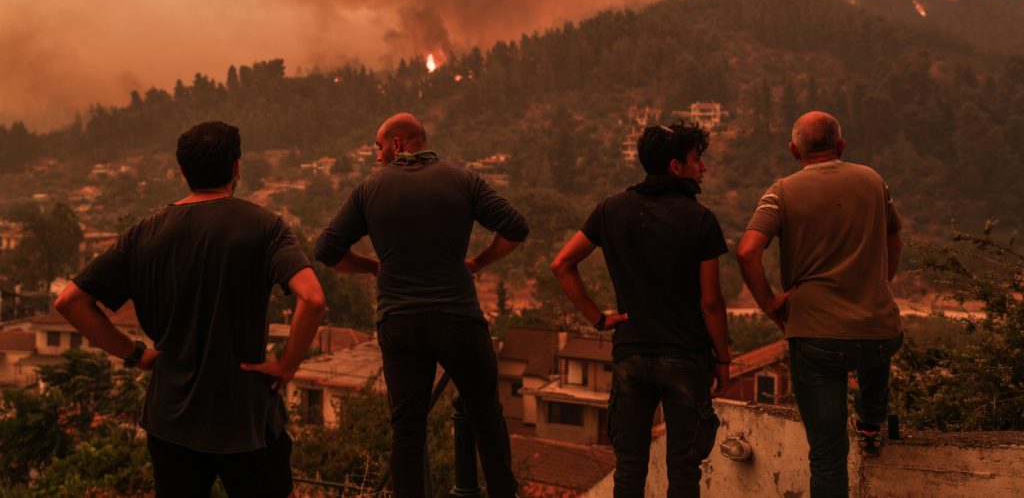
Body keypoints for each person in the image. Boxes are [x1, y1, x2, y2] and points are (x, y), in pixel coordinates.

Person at [55, 121, 326, 498]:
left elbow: (70, 301)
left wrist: (135, 354)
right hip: (246, 418)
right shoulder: (266, 227)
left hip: (171, 420)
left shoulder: (144, 232)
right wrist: (287, 365)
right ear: (236, 168)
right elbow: (312, 299)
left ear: (182, 171)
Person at [315, 112, 528, 498]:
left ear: (396, 145)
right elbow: (516, 227)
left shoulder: (369, 189)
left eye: (378, 147)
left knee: (408, 429)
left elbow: (326, 250)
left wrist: (372, 268)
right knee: (486, 414)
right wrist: (479, 262)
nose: (377, 156)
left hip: (400, 324)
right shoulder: (464, 180)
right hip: (459, 319)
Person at [550, 122, 731, 498]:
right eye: (698, 159)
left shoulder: (611, 210)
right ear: (675, 166)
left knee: (629, 469)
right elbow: (711, 301)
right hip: (685, 356)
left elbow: (562, 264)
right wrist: (724, 357)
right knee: (683, 470)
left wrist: (599, 319)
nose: (704, 168)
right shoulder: (701, 220)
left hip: (630, 354)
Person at [737, 111, 903, 498]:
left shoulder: (781, 192)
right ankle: (871, 422)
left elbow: (748, 252)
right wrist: (879, 284)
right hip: (878, 327)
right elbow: (895, 240)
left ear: (794, 150)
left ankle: (865, 424)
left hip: (815, 336)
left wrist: (771, 305)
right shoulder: (874, 181)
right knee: (877, 352)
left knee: (827, 456)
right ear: (840, 147)